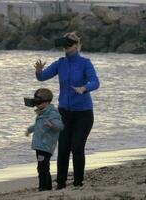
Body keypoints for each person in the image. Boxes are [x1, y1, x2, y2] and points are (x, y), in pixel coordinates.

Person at [34, 32, 100, 189]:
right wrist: (38, 71)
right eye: (64, 46)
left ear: (76, 46)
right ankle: (61, 184)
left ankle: (78, 183)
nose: (66, 48)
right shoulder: (60, 63)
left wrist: (84, 88)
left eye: (69, 45)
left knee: (77, 146)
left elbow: (96, 82)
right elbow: (42, 77)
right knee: (63, 148)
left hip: (83, 113)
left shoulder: (85, 63)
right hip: (64, 113)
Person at [25, 88, 64, 191]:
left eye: (38, 102)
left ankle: (43, 187)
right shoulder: (43, 112)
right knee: (43, 166)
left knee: (42, 167)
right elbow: (38, 125)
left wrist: (52, 125)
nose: (36, 105)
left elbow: (60, 126)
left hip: (46, 145)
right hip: (40, 145)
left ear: (46, 102)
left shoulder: (52, 113)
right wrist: (29, 130)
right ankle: (47, 186)